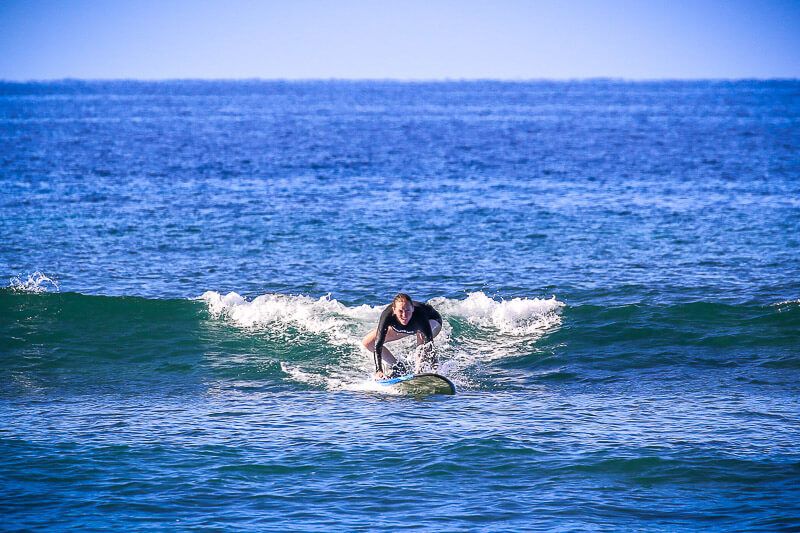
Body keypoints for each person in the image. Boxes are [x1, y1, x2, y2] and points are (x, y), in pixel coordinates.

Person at [361, 293, 443, 379]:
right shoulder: (387, 315)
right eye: (400, 311)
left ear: (412, 309)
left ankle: (419, 372)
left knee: (421, 335)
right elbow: (378, 344)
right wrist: (379, 370)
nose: (404, 315)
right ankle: (398, 367)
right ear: (394, 310)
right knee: (368, 343)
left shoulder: (420, 315)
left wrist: (435, 369)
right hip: (410, 327)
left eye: (407, 310)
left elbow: (429, 344)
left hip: (433, 321)